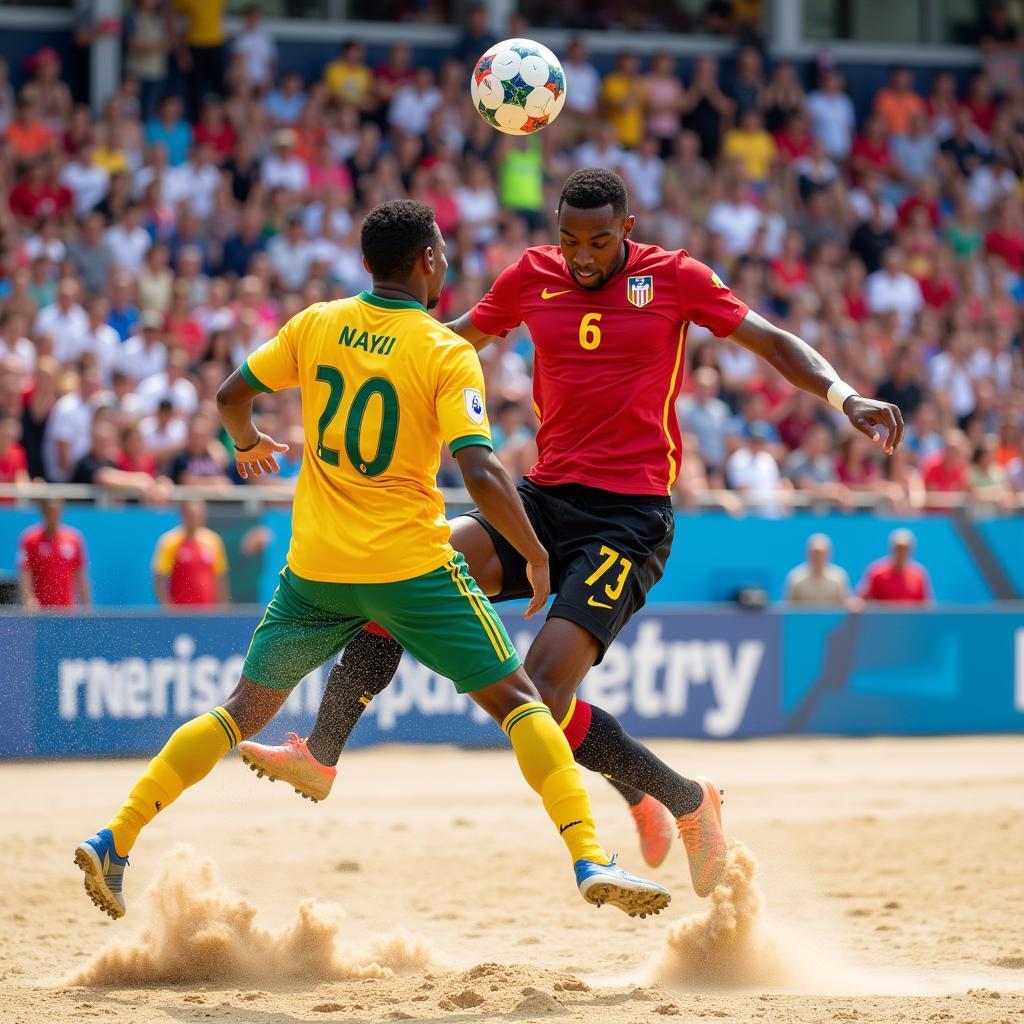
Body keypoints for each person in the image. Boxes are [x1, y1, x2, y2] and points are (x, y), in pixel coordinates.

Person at [241, 168, 904, 887]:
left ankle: (684, 800)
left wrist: (845, 397)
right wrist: (362, 343)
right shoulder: (531, 276)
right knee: (406, 568)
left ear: (628, 227)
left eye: (597, 241)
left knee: (545, 693)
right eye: (568, 240)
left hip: (628, 518)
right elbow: (448, 338)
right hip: (544, 498)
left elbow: (771, 341)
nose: (581, 256)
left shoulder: (675, 279)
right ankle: (323, 753)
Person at [75, 198, 670, 923]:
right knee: (521, 704)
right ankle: (587, 854)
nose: (448, 263)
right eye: (444, 252)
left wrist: (248, 444)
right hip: (411, 569)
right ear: (426, 261)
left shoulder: (317, 323)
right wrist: (535, 553)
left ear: (367, 264)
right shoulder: (443, 351)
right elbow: (480, 473)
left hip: (316, 570)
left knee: (239, 712)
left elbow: (232, 396)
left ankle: (117, 836)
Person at [153, 500, 228, 606]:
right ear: (183, 514)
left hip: (208, 614)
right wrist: (169, 610)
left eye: (199, 513)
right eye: (191, 514)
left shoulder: (213, 540)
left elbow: (220, 579)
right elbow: (159, 580)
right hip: (180, 614)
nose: (195, 517)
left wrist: (221, 609)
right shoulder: (169, 542)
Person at [17, 498, 90, 609]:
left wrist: (86, 605)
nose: (53, 517)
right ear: (43, 512)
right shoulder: (30, 539)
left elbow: (80, 575)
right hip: (40, 610)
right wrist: (29, 598)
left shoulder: (74, 539)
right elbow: (25, 573)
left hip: (66, 610)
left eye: (56, 512)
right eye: (49, 512)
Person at [858, 528, 932, 604]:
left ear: (911, 550)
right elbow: (861, 599)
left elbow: (926, 606)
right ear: (891, 548)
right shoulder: (877, 572)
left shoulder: (919, 575)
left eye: (905, 549)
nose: (901, 552)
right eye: (898, 548)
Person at [784, 534, 855, 606]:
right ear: (807, 553)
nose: (818, 557)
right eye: (814, 553)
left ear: (829, 553)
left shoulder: (839, 576)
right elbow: (788, 609)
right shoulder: (795, 577)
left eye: (821, 553)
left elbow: (846, 605)